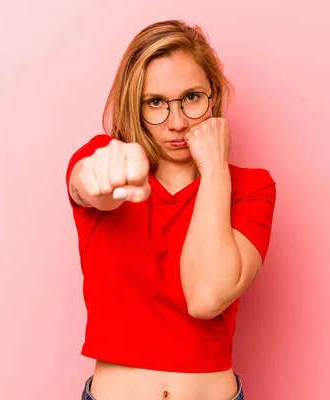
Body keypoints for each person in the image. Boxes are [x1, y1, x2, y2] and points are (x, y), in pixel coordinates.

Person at [66, 20, 276, 400]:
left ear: (213, 95)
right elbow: (90, 186)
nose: (176, 122)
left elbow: (206, 298)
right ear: (135, 104)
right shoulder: (108, 159)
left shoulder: (252, 188)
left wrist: (214, 170)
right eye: (156, 103)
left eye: (191, 97)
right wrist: (101, 177)